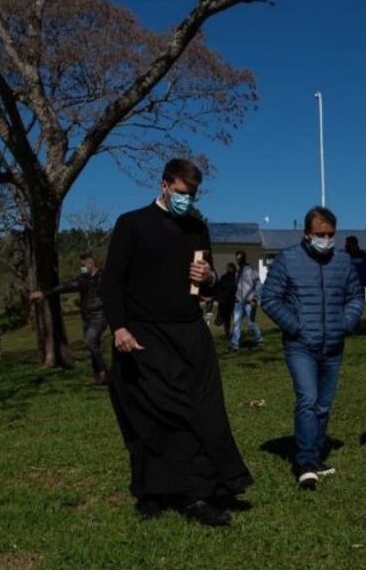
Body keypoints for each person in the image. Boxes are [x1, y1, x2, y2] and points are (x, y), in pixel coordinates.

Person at [101, 158, 252, 526]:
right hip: (143, 333)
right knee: (149, 416)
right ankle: (152, 491)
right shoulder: (132, 224)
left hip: (188, 332)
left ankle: (198, 495)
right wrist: (119, 328)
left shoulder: (197, 228)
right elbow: (112, 282)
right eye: (182, 192)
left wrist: (209, 275)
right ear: (165, 185)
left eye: (193, 194)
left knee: (201, 411)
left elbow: (205, 286)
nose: (187, 199)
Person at [261, 207, 364, 490]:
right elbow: (269, 298)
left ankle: (315, 455)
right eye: (321, 234)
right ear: (307, 234)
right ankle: (306, 462)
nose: (327, 240)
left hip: (333, 345)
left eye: (331, 234)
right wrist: (295, 327)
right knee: (307, 399)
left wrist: (346, 323)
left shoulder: (343, 262)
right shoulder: (288, 259)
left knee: (323, 404)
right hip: (300, 346)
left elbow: (355, 296)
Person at [30, 253, 109, 384]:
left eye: (83, 266)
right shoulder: (83, 279)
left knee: (90, 341)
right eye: (81, 266)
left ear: (91, 263)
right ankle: (99, 376)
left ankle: (103, 371)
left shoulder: (104, 276)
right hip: (86, 317)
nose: (82, 268)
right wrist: (45, 293)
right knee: (94, 345)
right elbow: (66, 286)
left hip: (99, 316)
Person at [229, 250, 263, 352]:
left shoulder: (252, 270)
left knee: (251, 323)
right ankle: (235, 345)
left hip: (250, 302)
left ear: (244, 258)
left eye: (239, 258)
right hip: (239, 303)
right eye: (236, 258)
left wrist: (255, 299)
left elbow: (259, 286)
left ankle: (259, 341)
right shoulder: (237, 272)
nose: (238, 260)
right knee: (236, 324)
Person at [215, 262, 238, 338]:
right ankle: (230, 333)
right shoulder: (235, 277)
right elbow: (220, 289)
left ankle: (229, 333)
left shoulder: (227, 277)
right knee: (232, 318)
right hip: (230, 300)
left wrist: (219, 299)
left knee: (229, 318)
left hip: (228, 300)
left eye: (228, 267)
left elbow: (219, 289)